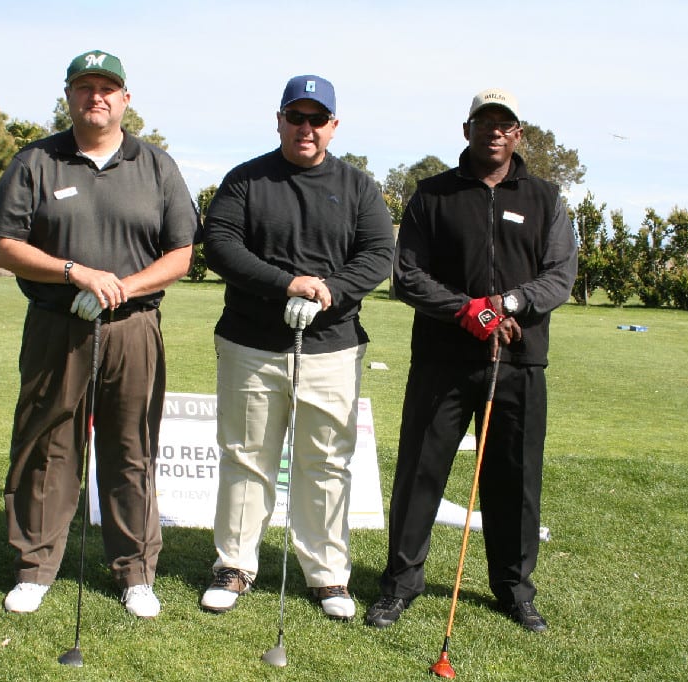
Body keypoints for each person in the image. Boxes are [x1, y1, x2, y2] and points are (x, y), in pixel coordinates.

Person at [0, 49, 200, 618]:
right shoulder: (36, 161)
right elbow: (6, 248)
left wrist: (123, 285)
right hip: (58, 325)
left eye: (107, 87)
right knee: (48, 444)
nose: (95, 96)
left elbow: (181, 254)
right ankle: (35, 566)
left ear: (125, 99)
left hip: (132, 328)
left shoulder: (156, 165)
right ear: (69, 96)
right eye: (84, 87)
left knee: (131, 447)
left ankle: (135, 572)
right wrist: (75, 272)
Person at [365, 88, 577, 632]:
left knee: (515, 478)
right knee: (419, 473)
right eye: (485, 122)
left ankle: (514, 589)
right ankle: (400, 584)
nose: (495, 132)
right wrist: (468, 312)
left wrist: (507, 305)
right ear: (468, 130)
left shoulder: (546, 198)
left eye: (505, 123)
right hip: (443, 359)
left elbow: (559, 276)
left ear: (518, 134)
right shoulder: (433, 194)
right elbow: (407, 275)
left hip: (519, 360)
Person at [199, 75, 394, 621]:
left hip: (332, 347)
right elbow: (219, 244)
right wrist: (288, 283)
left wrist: (331, 290)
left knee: (326, 462)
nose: (305, 128)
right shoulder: (247, 180)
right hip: (250, 344)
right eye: (296, 117)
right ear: (279, 119)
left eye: (317, 119)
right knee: (245, 458)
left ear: (333, 125)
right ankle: (233, 566)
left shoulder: (358, 186)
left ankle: (328, 575)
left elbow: (379, 253)